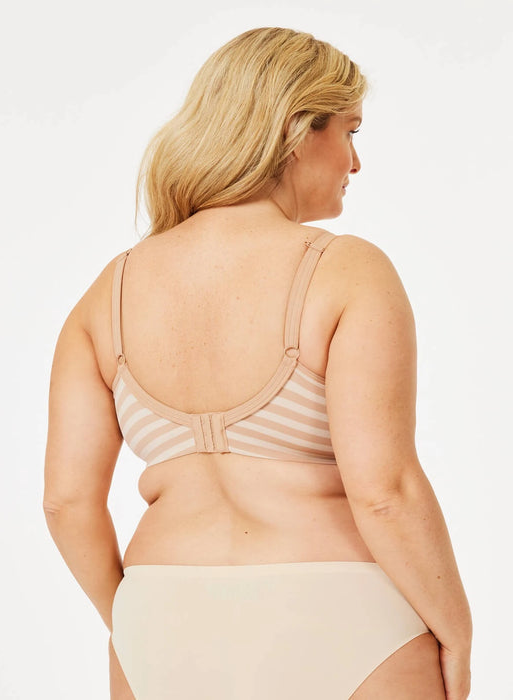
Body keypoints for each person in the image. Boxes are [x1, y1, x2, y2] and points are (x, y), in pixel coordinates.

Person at [43, 26, 472, 700]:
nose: (355, 162)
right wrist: (456, 630)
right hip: (340, 612)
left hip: (162, 615)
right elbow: (384, 491)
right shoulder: (345, 270)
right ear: (297, 131)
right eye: (350, 132)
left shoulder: (107, 294)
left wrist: (131, 622)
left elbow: (66, 501)